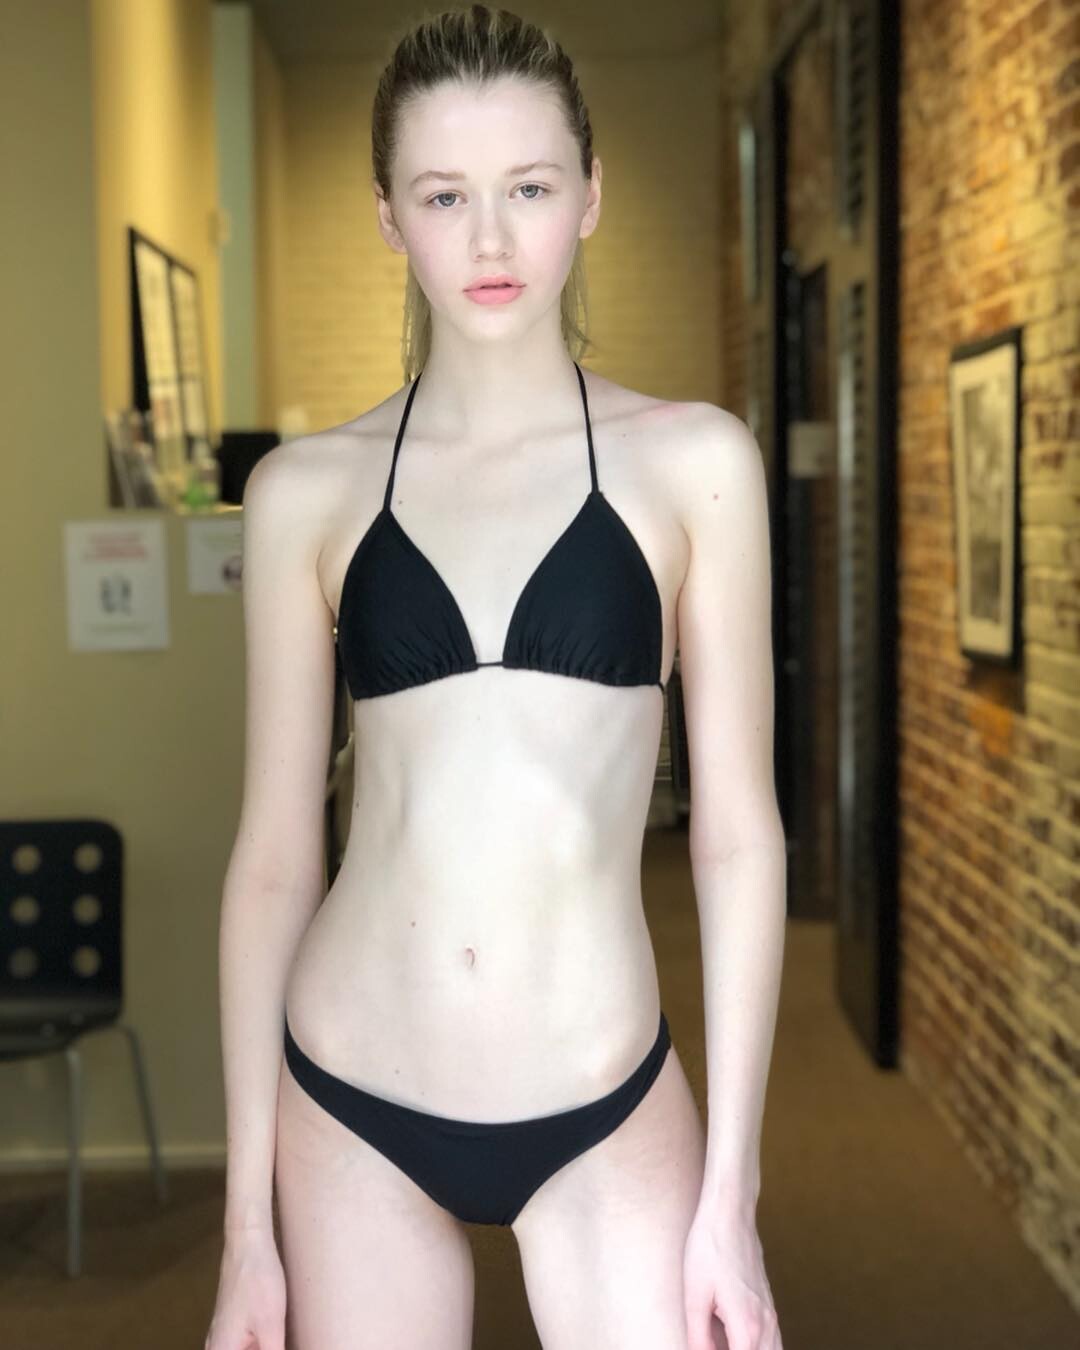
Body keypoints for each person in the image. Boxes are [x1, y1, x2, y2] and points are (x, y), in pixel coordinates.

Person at [205, 6, 786, 1349]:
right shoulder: (302, 492)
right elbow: (276, 858)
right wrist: (245, 1231)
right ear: (388, 216)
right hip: (350, 1092)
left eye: (527, 188)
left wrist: (734, 1194)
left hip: (604, 1095)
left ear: (591, 195)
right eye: (442, 195)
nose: (488, 240)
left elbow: (739, 838)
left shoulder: (695, 463)